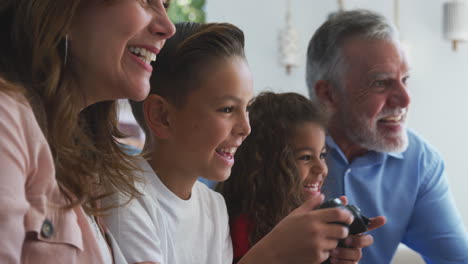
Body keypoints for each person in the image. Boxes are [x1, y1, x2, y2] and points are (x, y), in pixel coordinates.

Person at [0, 0, 176, 263]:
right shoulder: (7, 119)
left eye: (166, 4)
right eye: (146, 1)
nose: (168, 27)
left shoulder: (88, 165)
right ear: (66, 9)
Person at [306, 9, 468, 263]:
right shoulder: (262, 147)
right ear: (328, 94)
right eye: (381, 83)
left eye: (405, 79)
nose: (405, 99)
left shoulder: (419, 161)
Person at [217, 92, 385, 263]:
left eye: (322, 155)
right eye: (305, 157)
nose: (321, 168)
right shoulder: (238, 228)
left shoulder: (314, 222)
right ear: (262, 161)